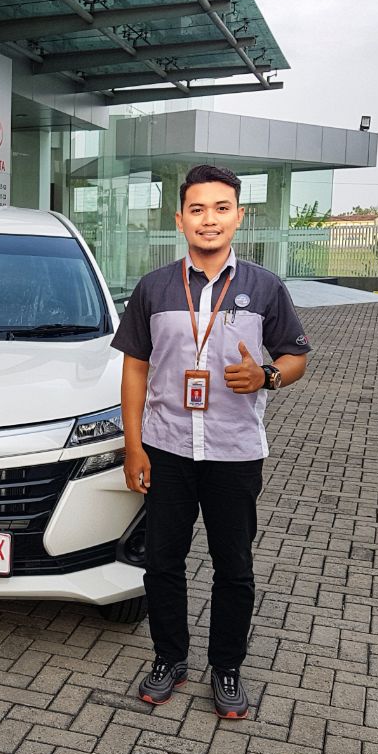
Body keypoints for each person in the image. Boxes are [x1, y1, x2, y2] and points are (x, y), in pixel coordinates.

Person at [113, 164, 311, 719]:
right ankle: (170, 658)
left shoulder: (264, 287)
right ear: (179, 219)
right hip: (167, 448)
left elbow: (295, 357)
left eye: (221, 208)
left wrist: (267, 376)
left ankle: (227, 667)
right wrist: (134, 446)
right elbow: (134, 369)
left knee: (234, 566)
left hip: (234, 451)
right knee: (163, 562)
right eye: (197, 209)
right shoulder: (153, 288)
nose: (209, 219)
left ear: (238, 216)